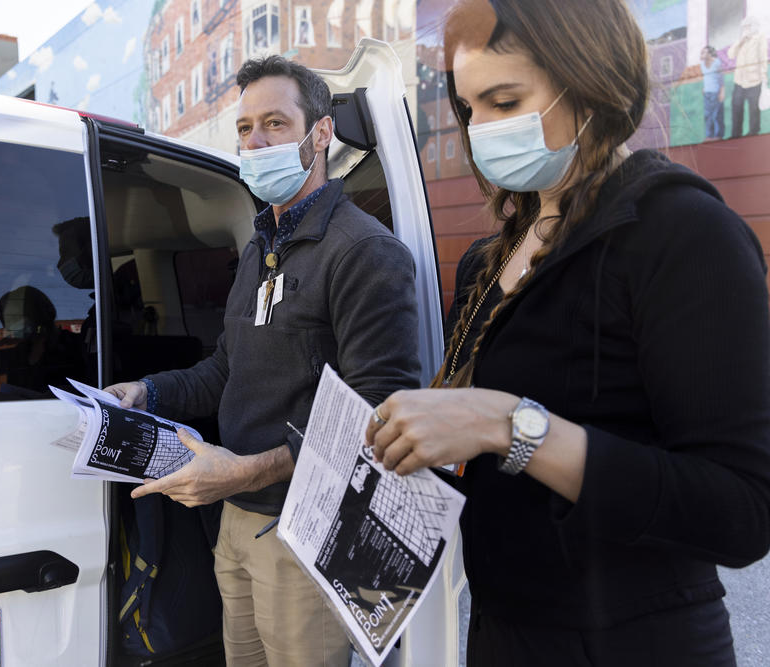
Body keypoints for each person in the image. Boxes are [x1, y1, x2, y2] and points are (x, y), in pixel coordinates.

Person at [365, 1, 770, 665]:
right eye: (471, 110)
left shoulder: (683, 234)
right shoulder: (487, 259)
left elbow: (740, 511)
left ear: (587, 81)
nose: (484, 129)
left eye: (504, 100)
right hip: (505, 629)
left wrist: (510, 424)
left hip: (635, 642)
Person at [105, 56, 421, 665]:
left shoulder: (364, 252)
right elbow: (226, 369)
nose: (256, 141)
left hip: (306, 533)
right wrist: (146, 392)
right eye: (246, 128)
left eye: (275, 123)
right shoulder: (259, 248)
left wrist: (244, 471)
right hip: (236, 522)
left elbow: (378, 418)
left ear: (320, 133)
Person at [728, 15, 767, 138]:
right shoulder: (741, 40)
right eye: (743, 27)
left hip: (754, 80)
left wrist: (763, 76)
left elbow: (763, 58)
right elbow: (730, 55)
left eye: (747, 26)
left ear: (753, 26)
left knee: (754, 108)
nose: (745, 29)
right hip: (739, 80)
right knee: (736, 106)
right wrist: (740, 41)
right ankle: (735, 134)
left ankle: (753, 132)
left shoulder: (760, 38)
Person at [700, 45, 724, 140]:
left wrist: (722, 92)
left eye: (704, 52)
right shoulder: (702, 64)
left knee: (716, 115)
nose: (702, 54)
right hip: (707, 93)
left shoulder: (717, 63)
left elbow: (721, 78)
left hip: (715, 92)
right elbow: (705, 77)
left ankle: (718, 135)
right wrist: (704, 88)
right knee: (707, 115)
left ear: (709, 54)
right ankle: (709, 135)